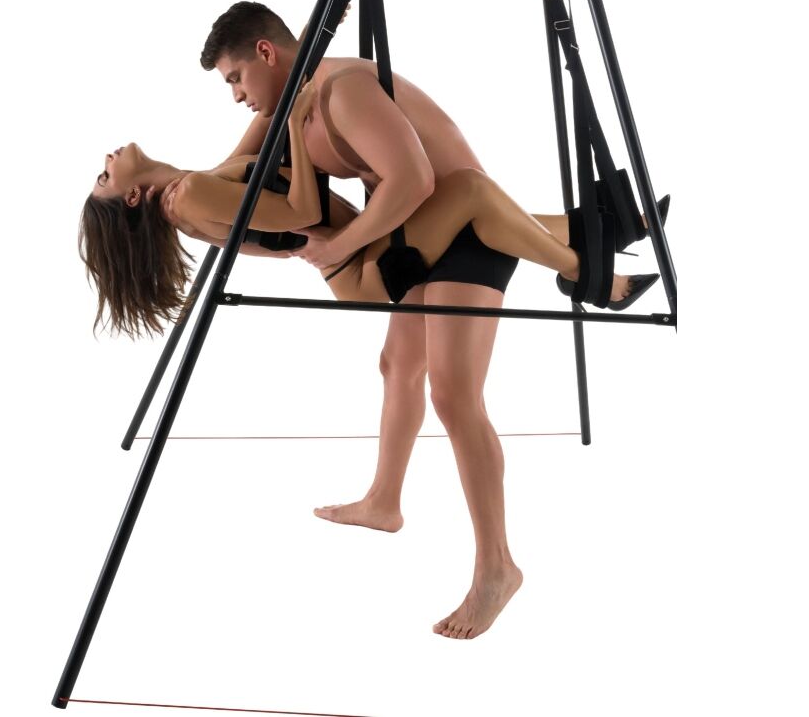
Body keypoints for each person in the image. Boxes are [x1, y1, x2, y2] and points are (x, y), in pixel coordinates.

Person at [79, 77, 658, 640]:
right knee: (472, 195)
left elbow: (260, 138)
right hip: (363, 265)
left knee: (399, 364)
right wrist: (300, 114)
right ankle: (592, 274)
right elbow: (300, 209)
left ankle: (384, 501)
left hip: (367, 256)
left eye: (237, 78)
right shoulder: (189, 196)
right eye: (105, 176)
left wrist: (294, 80)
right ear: (130, 197)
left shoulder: (190, 188)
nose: (107, 159)